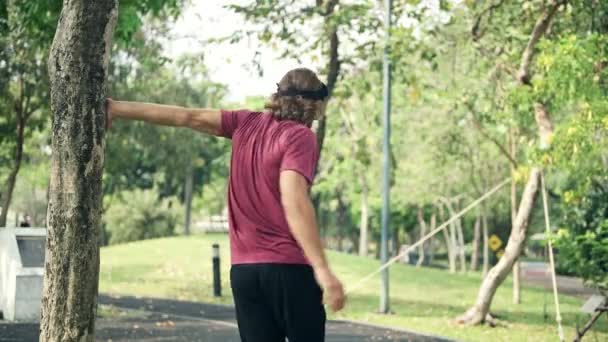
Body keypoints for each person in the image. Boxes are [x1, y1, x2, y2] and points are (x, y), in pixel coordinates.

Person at [107, 67, 346, 342]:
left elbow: (187, 116)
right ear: (314, 105)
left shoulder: (245, 123)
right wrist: (323, 269)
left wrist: (116, 108)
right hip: (289, 270)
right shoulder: (300, 137)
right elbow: (294, 199)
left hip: (244, 274)